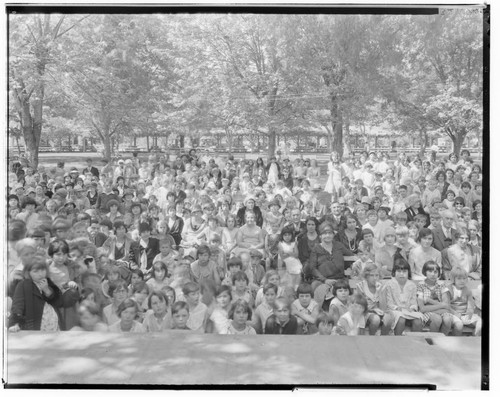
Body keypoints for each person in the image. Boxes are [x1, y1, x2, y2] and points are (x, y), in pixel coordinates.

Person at [9, 254, 63, 332]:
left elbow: (59, 302)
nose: (40, 274)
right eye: (35, 271)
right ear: (28, 272)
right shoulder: (24, 284)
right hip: (35, 324)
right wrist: (15, 323)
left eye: (43, 270)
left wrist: (47, 290)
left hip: (52, 323)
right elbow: (17, 305)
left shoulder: (48, 281)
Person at [309, 222, 355, 296]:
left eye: (330, 233)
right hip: (323, 280)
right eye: (325, 233)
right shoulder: (316, 249)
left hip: (340, 279)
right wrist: (325, 280)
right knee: (315, 287)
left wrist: (348, 268)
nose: (328, 235)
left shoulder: (338, 245)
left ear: (333, 235)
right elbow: (313, 268)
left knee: (347, 287)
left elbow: (351, 256)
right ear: (320, 236)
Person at [385, 259, 424, 335]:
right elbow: (389, 303)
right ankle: (398, 342)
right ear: (394, 272)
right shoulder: (389, 284)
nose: (402, 274)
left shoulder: (412, 285)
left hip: (408, 311)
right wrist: (397, 308)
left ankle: (415, 343)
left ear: (408, 272)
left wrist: (412, 308)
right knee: (401, 319)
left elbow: (414, 302)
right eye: (399, 271)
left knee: (418, 320)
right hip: (394, 311)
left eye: (404, 271)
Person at [443, 266, 482, 336]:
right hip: (452, 314)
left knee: (480, 323)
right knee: (459, 325)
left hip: (465, 315)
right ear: (453, 279)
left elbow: (471, 304)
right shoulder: (448, 289)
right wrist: (456, 314)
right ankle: (455, 341)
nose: (462, 281)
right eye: (459, 278)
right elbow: (446, 305)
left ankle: (474, 339)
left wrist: (469, 313)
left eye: (464, 278)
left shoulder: (467, 290)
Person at [416, 260, 453, 335]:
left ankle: (441, 340)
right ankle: (432, 340)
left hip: (438, 311)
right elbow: (422, 308)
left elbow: (447, 306)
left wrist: (430, 302)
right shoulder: (420, 285)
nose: (433, 274)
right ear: (425, 272)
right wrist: (442, 305)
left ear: (439, 273)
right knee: (437, 319)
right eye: (430, 271)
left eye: (435, 272)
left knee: (448, 320)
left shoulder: (441, 285)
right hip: (427, 313)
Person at [277, 225, 302, 290]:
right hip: (284, 261)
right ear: (282, 236)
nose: (287, 237)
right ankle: (290, 287)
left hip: (294, 260)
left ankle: (296, 287)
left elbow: (296, 254)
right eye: (285, 235)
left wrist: (288, 253)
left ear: (292, 235)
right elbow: (282, 256)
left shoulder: (293, 243)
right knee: (290, 273)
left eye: (289, 235)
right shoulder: (281, 243)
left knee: (298, 272)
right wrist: (291, 253)